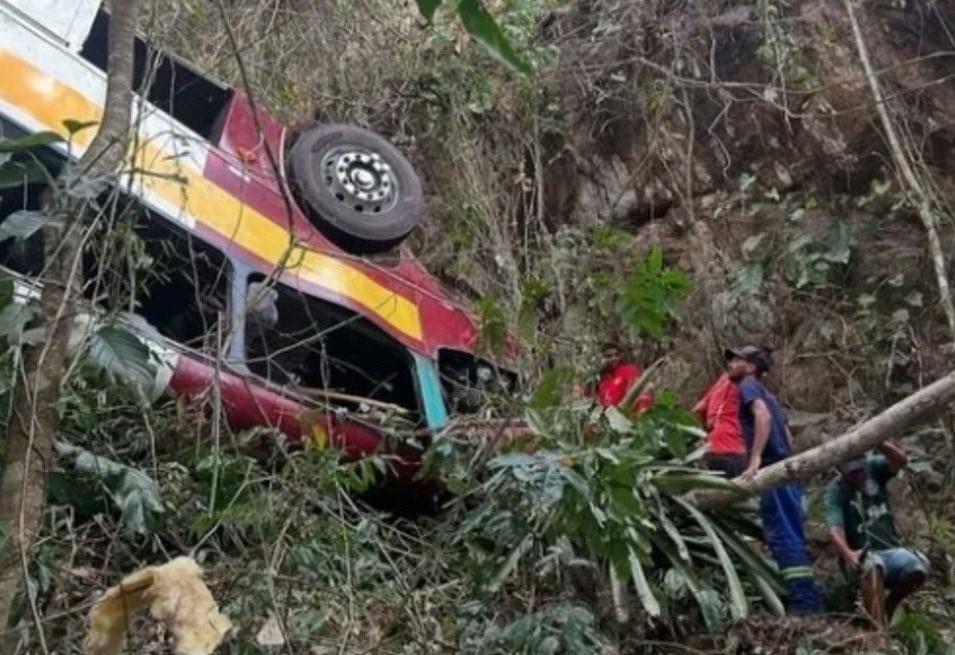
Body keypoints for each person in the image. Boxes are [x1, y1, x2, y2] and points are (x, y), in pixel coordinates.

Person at [725, 345, 824, 615]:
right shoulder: (770, 396)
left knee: (784, 537)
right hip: (787, 473)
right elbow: (788, 436)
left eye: (738, 359)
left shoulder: (749, 387)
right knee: (791, 534)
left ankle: (805, 605)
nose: (731, 363)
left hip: (774, 473)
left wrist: (756, 459)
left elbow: (763, 417)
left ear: (752, 367)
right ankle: (809, 598)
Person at [824, 442, 928, 625]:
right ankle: (878, 628)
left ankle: (890, 606)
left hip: (890, 551)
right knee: (873, 567)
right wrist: (849, 554)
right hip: (862, 556)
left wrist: (878, 441)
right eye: (852, 473)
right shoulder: (836, 491)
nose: (859, 476)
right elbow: (835, 529)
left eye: (860, 470)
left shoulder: (875, 468)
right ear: (840, 470)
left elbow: (901, 461)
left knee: (918, 567)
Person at [693, 370, 746, 478]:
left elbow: (698, 410)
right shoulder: (746, 382)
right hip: (735, 447)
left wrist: (705, 432)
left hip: (712, 447)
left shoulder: (721, 382)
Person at [594, 342, 653, 415]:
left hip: (628, 418)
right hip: (610, 420)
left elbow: (642, 395)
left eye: (616, 355)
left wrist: (641, 414)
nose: (614, 358)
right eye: (609, 356)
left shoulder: (629, 371)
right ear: (602, 359)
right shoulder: (601, 380)